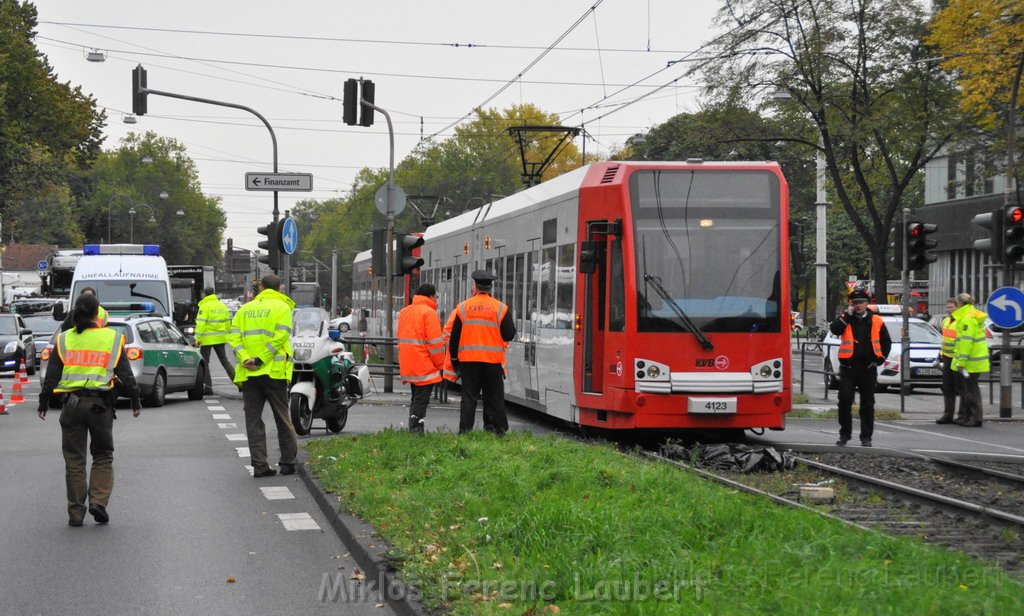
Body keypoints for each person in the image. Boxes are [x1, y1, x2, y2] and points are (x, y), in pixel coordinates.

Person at [37, 295, 142, 527]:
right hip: (101, 407)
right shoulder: (113, 338)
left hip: (72, 405)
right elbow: (125, 373)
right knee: (103, 455)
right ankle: (98, 502)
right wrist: (135, 399)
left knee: (74, 460)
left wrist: (43, 403)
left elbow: (52, 375)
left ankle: (75, 513)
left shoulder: (64, 339)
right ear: (99, 314)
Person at [227, 274, 297, 477]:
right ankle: (287, 463)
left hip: (249, 374)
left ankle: (260, 466)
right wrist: (260, 359)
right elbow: (280, 337)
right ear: (279, 289)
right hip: (274, 372)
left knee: (253, 421)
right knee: (282, 418)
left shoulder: (244, 309)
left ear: (261, 288)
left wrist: (245, 358)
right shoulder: (282, 308)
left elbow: (233, 337)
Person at [448, 270, 516, 435]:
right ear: (490, 287)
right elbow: (509, 334)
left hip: (468, 361)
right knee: (494, 396)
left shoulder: (463, 307)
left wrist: (454, 360)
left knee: (469, 397)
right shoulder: (500, 308)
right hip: (492, 361)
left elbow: (454, 337)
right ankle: (497, 429)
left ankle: (465, 431)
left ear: (475, 286)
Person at [828, 288, 891, 447]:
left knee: (867, 404)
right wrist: (847, 315)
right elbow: (835, 330)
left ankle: (866, 437)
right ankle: (845, 434)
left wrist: (879, 360)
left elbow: (886, 342)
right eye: (855, 303)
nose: (858, 306)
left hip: (868, 368)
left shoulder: (876, 320)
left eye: (861, 303)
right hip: (848, 368)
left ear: (867, 304)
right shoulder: (846, 318)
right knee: (844, 400)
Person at [396, 284, 445, 434]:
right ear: (430, 296)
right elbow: (435, 343)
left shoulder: (405, 311)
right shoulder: (429, 313)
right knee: (421, 400)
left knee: (415, 398)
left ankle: (413, 428)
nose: (437, 300)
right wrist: (440, 364)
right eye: (436, 297)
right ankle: (416, 431)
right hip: (424, 364)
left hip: (408, 361)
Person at [950, 292, 989, 427]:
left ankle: (975, 418)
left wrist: (961, 362)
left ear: (960, 304)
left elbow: (966, 342)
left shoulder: (966, 318)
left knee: (971, 390)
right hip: (974, 360)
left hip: (969, 362)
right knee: (969, 389)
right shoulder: (973, 315)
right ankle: (967, 417)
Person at [194, 287, 236, 395]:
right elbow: (228, 322)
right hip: (221, 338)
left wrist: (197, 339)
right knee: (225, 360)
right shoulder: (222, 306)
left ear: (205, 294)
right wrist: (226, 334)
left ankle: (208, 387)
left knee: (205, 362)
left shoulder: (204, 306)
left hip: (207, 339)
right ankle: (239, 383)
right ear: (214, 293)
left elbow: (201, 324)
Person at [936, 298, 961, 425]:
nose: (948, 310)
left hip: (958, 358)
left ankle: (962, 415)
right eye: (947, 307)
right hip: (946, 357)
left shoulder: (961, 321)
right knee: (947, 388)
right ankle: (948, 414)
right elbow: (944, 340)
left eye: (951, 307)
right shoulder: (945, 321)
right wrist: (940, 354)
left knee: (961, 388)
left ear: (957, 307)